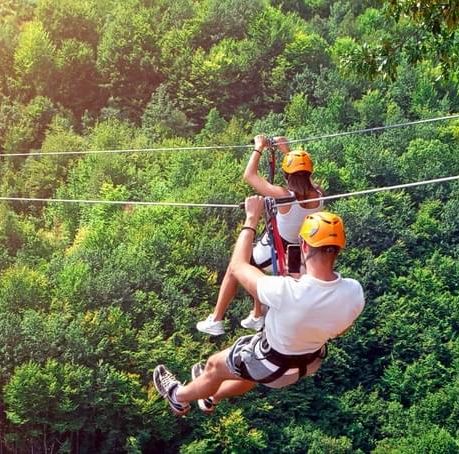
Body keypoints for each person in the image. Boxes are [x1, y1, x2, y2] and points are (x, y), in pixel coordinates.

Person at [154, 196, 364, 416]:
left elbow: (237, 266)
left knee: (214, 366)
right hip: (306, 364)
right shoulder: (354, 292)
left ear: (303, 245)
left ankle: (178, 397)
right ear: (339, 248)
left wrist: (251, 218)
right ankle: (211, 397)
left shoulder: (286, 290)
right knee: (248, 373)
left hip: (270, 364)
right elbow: (341, 329)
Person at [196, 134, 324, 336]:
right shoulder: (319, 193)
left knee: (236, 266)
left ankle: (216, 319)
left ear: (286, 174)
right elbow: (302, 176)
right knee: (256, 268)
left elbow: (249, 176)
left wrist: (259, 148)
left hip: (278, 247)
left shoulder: (284, 196)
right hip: (298, 252)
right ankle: (257, 314)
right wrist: (286, 150)